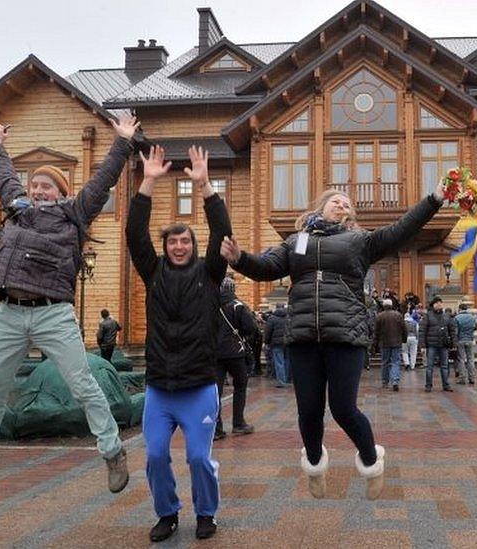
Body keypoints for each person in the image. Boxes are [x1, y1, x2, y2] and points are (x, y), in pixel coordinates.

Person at [221, 182, 447, 501]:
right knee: (309, 411)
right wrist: (240, 258)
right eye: (336, 201)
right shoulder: (297, 242)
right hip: (303, 337)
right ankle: (314, 464)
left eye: (346, 204)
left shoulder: (359, 241)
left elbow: (402, 229)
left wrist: (434, 200)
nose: (342, 206)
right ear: (322, 206)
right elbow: (267, 267)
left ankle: (371, 460)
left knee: (343, 409)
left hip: (345, 333)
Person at [0, 118, 137, 491]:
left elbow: (103, 181)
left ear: (60, 191)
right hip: (10, 313)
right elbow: (3, 177)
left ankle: (113, 451)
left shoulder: (74, 214)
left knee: (82, 384)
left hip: (52, 313)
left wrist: (123, 142)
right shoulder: (18, 208)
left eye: (46, 185)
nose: (38, 190)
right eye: (34, 185)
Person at [126, 145, 228, 541]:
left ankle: (207, 513)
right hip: (160, 389)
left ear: (193, 246)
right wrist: (148, 181)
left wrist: (204, 185)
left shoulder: (210, 275)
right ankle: (166, 513)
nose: (179, 246)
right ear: (166, 247)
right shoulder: (152, 273)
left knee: (199, 457)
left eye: (185, 241)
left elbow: (223, 232)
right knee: (154, 456)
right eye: (173, 242)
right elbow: (134, 234)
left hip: (199, 386)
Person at [215, 277, 257, 440]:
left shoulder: (212, 307)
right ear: (233, 289)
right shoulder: (238, 306)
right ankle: (238, 423)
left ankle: (217, 429)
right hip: (235, 352)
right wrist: (241, 336)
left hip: (215, 354)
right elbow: (251, 327)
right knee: (240, 386)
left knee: (215, 392)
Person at [420, 296, 456, 393]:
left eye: (440, 302)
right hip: (431, 344)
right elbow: (422, 331)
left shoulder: (446, 316)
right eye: (437, 303)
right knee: (429, 366)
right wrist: (422, 345)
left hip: (443, 344)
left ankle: (446, 384)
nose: (439, 304)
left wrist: (454, 343)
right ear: (433, 305)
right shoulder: (428, 316)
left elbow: (452, 330)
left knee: (445, 366)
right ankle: (428, 385)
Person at [374, 298, 406, 391]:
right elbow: (404, 328)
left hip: (384, 343)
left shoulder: (379, 316)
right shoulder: (398, 315)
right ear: (392, 305)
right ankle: (395, 381)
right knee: (396, 362)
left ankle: (385, 381)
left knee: (385, 362)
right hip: (396, 342)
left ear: (384, 306)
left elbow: (376, 332)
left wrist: (374, 343)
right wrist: (404, 339)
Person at [264, 304, 290, 387]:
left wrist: (266, 342)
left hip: (276, 343)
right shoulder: (288, 317)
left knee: (279, 362)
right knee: (287, 361)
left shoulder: (272, 318)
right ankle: (287, 379)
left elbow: (268, 332)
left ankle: (282, 382)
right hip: (288, 342)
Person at [453, 303, 477, 385]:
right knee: (470, 359)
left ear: (459, 309)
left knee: (461, 359)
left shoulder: (457, 318)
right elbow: (475, 327)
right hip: (470, 339)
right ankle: (472, 378)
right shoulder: (472, 317)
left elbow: (455, 331)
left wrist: (454, 341)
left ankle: (462, 378)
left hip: (461, 340)